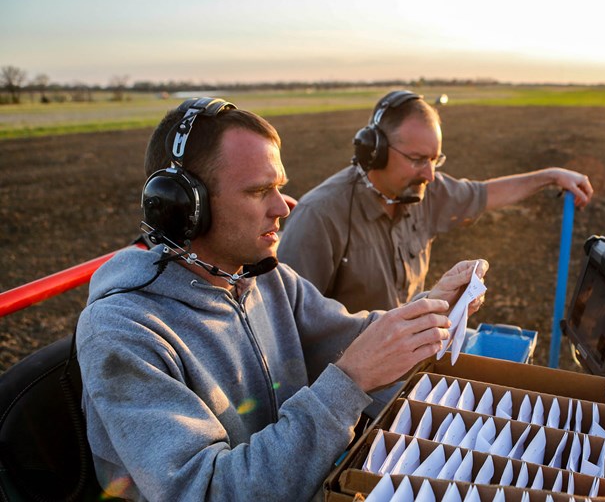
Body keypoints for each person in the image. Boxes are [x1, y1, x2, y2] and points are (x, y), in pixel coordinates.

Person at [75, 97, 487, 501]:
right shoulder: (124, 331)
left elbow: (358, 337)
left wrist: (434, 309)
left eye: (279, 187)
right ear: (185, 208)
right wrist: (350, 382)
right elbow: (208, 491)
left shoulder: (263, 278)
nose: (283, 207)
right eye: (259, 191)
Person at [277, 90, 594, 314]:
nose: (429, 174)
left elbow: (483, 195)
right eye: (417, 159)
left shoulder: (424, 190)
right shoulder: (319, 216)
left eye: (434, 159)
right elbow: (290, 320)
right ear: (375, 151)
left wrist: (550, 176)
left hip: (409, 353)